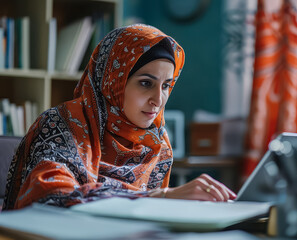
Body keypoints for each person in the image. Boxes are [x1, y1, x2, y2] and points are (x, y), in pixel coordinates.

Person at [3, 24, 236, 210]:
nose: (159, 99)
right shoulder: (62, 124)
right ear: (113, 81)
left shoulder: (155, 144)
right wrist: (158, 197)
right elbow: (50, 195)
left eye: (166, 85)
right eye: (146, 83)